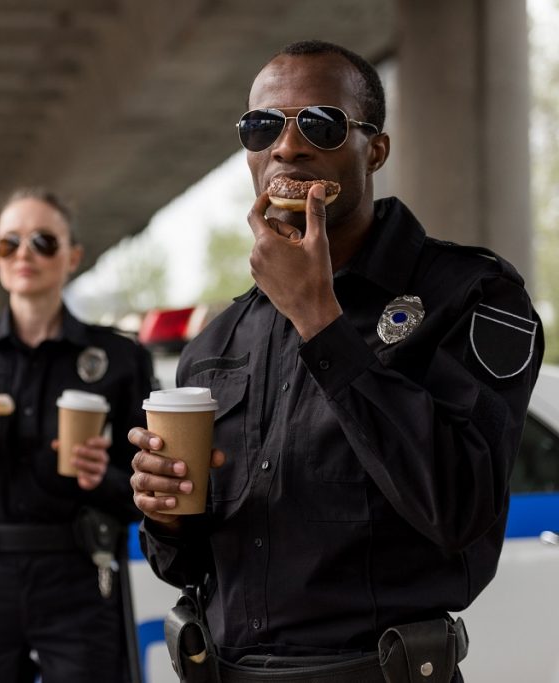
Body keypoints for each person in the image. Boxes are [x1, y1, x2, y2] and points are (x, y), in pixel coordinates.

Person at [128, 40, 543, 682]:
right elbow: (186, 565)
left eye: (319, 123)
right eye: (262, 126)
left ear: (374, 149)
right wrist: (165, 516)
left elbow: (458, 509)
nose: (286, 147)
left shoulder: (469, 295)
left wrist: (319, 320)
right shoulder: (220, 340)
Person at [0, 187, 155, 683]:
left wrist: (104, 476)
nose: (24, 255)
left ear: (73, 256)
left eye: (43, 241)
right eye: (8, 243)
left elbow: (148, 497)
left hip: (79, 571)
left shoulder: (119, 360)